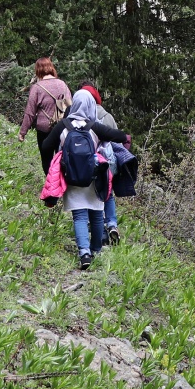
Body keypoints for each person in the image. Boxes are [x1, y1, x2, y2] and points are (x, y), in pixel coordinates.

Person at [41, 89, 130, 270]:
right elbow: (121, 136)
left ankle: (84, 253)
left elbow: (45, 146)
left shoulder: (63, 125)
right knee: (97, 214)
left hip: (71, 175)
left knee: (79, 215)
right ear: (91, 105)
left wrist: (50, 167)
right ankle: (96, 249)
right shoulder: (94, 127)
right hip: (93, 175)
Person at [80, 84, 123, 246]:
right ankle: (112, 223)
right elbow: (118, 138)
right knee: (108, 194)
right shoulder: (108, 116)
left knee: (94, 195)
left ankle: (99, 231)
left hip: (94, 162)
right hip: (109, 162)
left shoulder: (82, 115)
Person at [18, 57, 71, 173]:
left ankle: (51, 184)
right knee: (61, 158)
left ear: (38, 70)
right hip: (62, 128)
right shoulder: (62, 84)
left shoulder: (37, 88)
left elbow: (30, 112)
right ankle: (61, 184)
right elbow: (70, 105)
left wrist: (23, 132)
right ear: (51, 68)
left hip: (44, 130)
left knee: (46, 160)